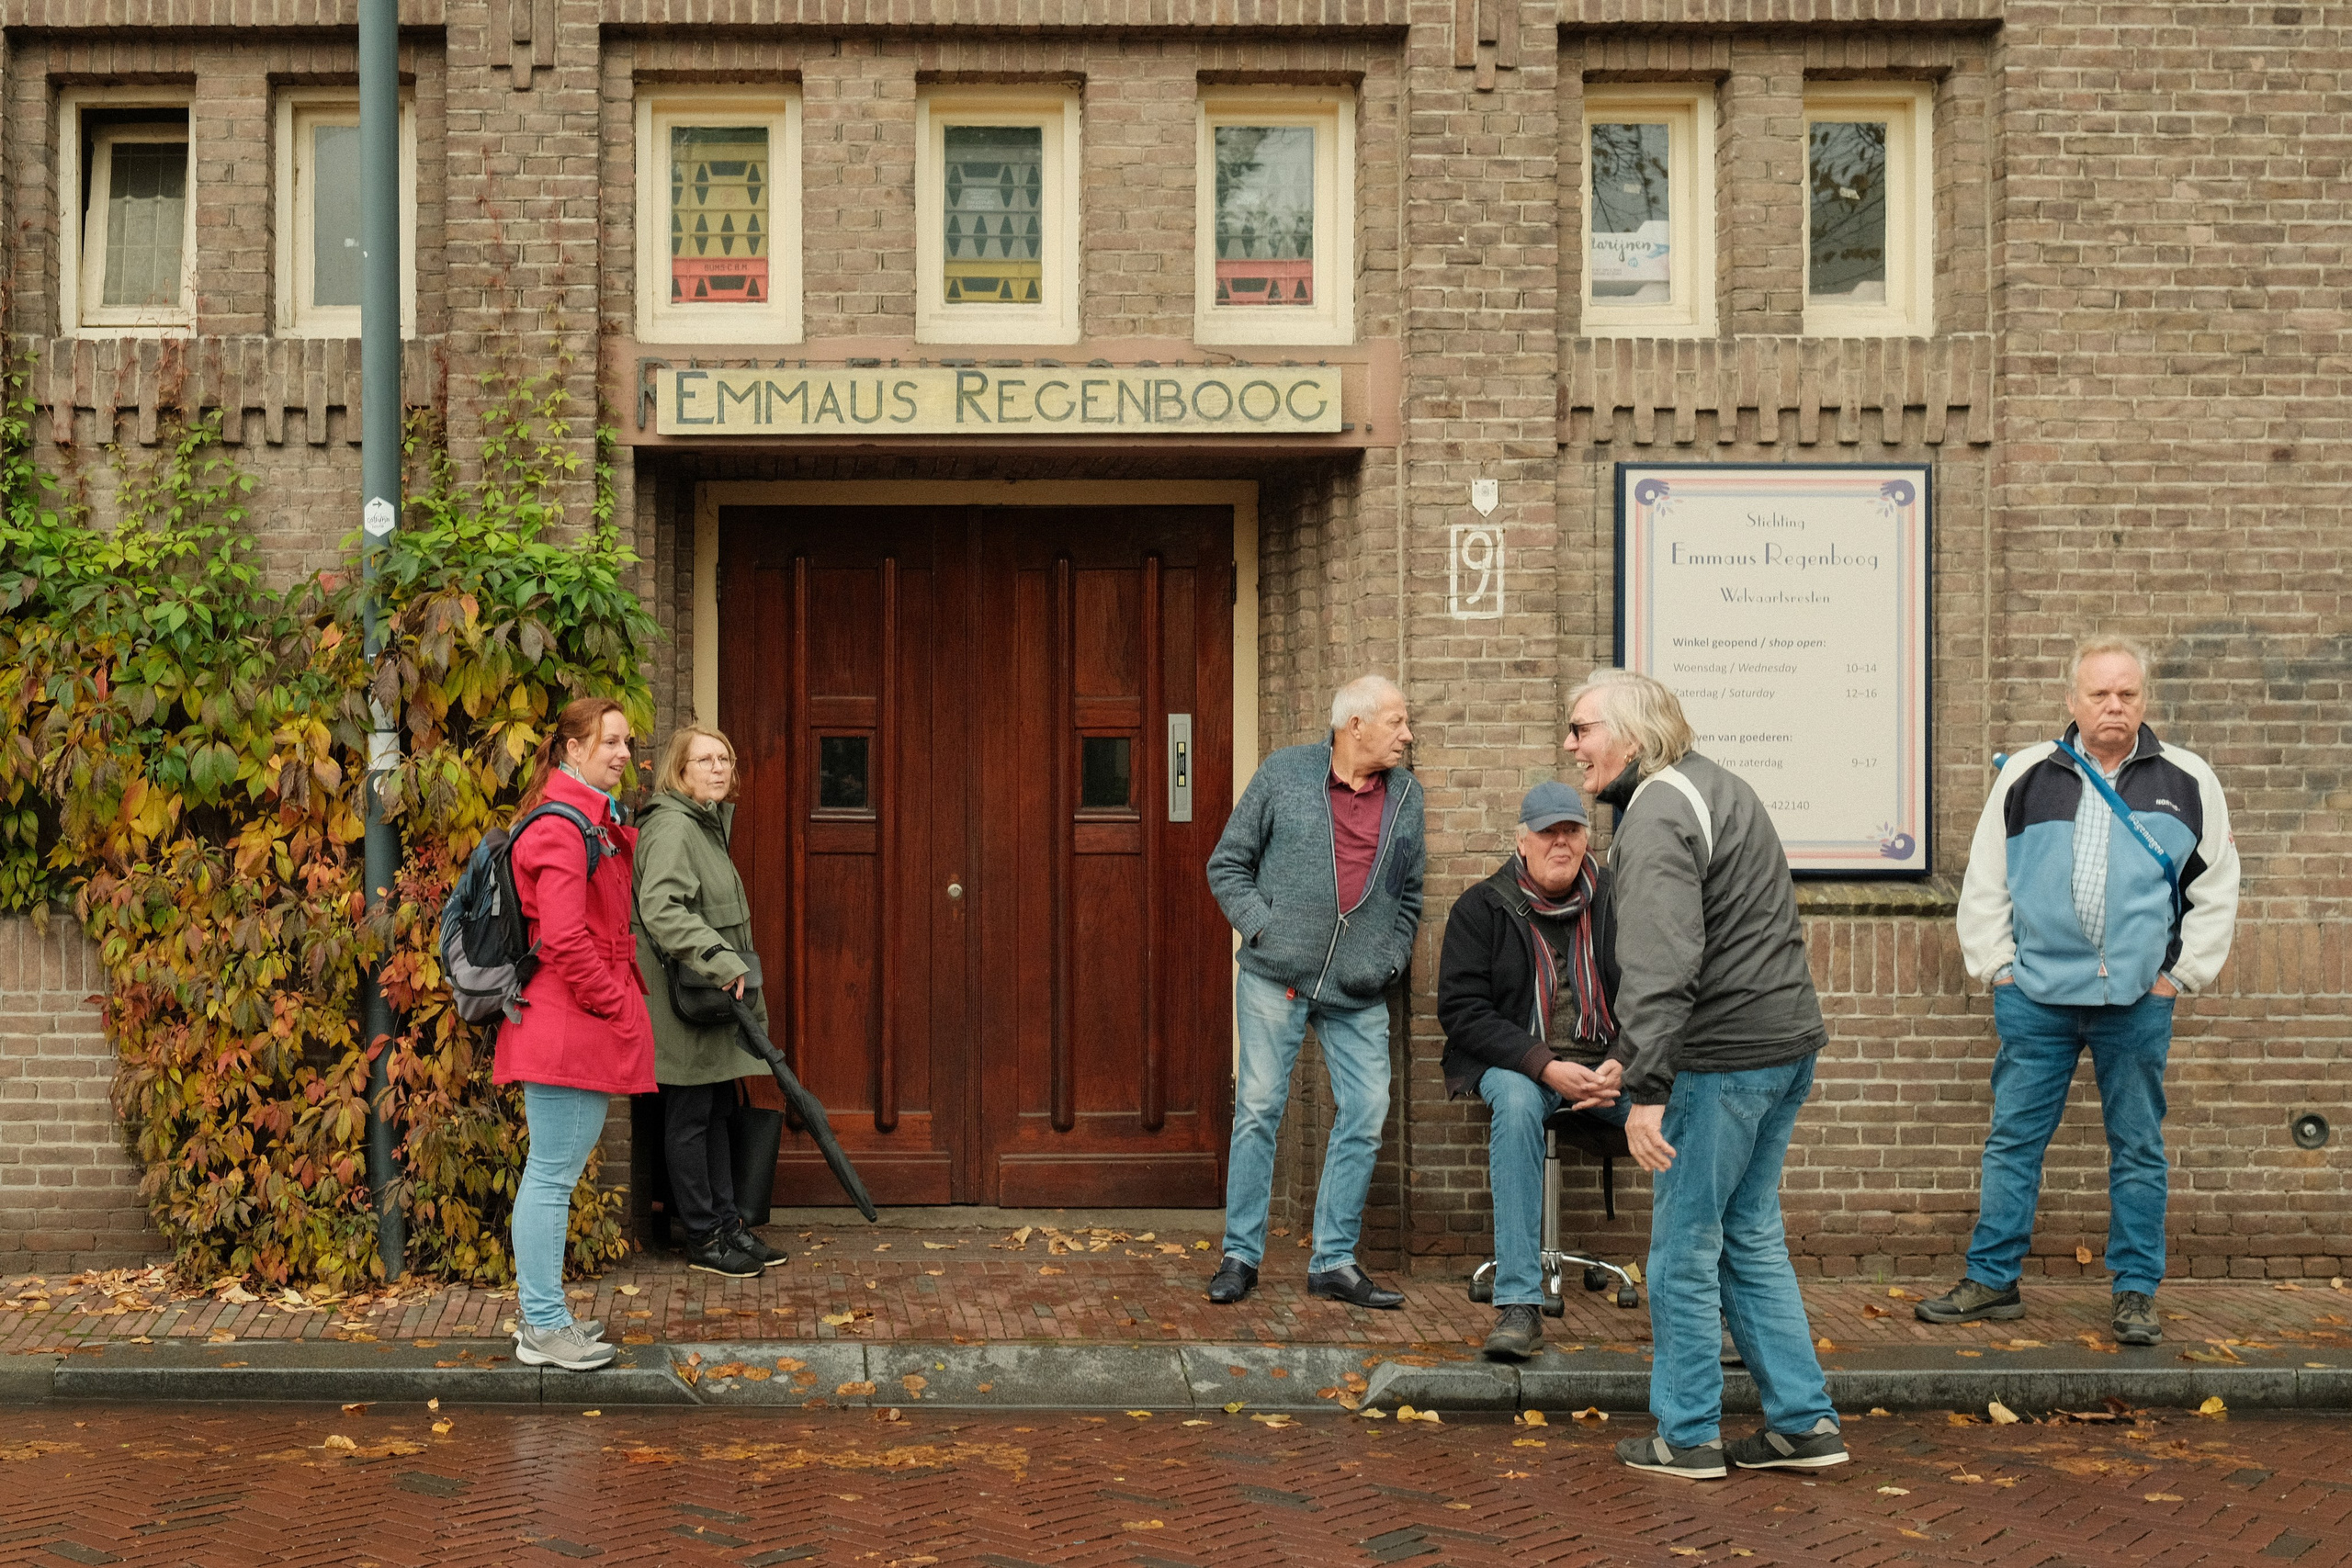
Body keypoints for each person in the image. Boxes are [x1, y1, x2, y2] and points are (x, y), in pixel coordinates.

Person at [1564, 669, 1847, 1479]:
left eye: (1584, 727)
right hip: (1784, 1044)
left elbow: (1665, 960)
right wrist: (1638, 1053)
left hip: (1720, 1063)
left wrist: (1648, 1091)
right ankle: (1803, 1422)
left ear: (1630, 734)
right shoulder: (1718, 786)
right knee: (1750, 1234)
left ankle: (1686, 1435)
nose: (1572, 743)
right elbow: (1726, 934)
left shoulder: (1655, 812)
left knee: (1683, 1249)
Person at [1926, 636, 2239, 1346]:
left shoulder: (2188, 779)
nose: (2114, 705)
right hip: (2035, 997)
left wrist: (2176, 978)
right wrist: (1998, 969)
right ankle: (1992, 1278)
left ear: (2144, 700)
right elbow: (1986, 880)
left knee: (2137, 1148)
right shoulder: (2028, 776)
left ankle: (2134, 1292)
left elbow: (2216, 888)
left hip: (2137, 1001)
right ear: (2072, 701)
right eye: (2099, 693)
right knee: (2014, 1142)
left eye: (2127, 693)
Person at [1204, 674, 1425, 1309]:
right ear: (1354, 725)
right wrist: (1265, 927)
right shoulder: (1284, 774)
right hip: (1278, 977)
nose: (1406, 734)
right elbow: (1227, 864)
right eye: (1396, 721)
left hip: (1359, 987)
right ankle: (1240, 1255)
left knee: (1365, 1111)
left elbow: (1409, 893)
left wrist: (1391, 958)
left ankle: (1333, 1258)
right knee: (1259, 1111)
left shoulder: (1407, 796)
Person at [1437, 781, 1630, 1360]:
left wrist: (1625, 1061)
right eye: (1547, 832)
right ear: (1522, 842)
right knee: (1518, 1104)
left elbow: (1654, 992)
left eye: (1571, 830)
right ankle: (1519, 1305)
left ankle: (1701, 1301)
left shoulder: (1617, 899)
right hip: (1519, 1064)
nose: (1561, 842)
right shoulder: (1482, 907)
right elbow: (1463, 1013)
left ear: (1587, 838)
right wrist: (1546, 1066)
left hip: (1609, 1066)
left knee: (1688, 1110)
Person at [493, 696, 657, 1374]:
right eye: (610, 741)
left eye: (625, 741)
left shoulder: (585, 820)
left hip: (571, 1020)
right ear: (572, 750)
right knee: (552, 1176)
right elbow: (562, 936)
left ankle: (548, 1314)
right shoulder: (563, 829)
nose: (623, 753)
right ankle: (542, 1324)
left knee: (554, 1174)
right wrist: (614, 1001)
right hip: (568, 1023)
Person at [635, 723, 788, 1280]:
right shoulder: (674, 827)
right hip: (687, 1002)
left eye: (724, 759)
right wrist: (721, 961)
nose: (719, 769)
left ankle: (727, 1224)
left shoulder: (705, 824)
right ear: (680, 770)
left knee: (718, 1111)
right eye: (705, 760)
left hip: (707, 999)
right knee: (691, 1118)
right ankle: (703, 1236)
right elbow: (663, 909)